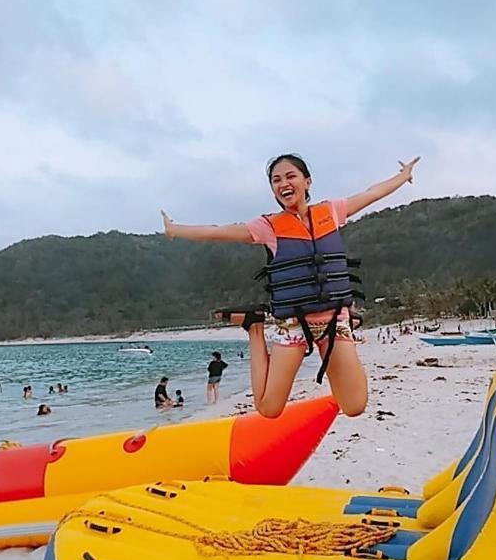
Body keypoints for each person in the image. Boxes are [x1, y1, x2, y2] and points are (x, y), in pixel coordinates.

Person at [161, 153, 419, 418]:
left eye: (290, 176)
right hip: (294, 325)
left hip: (335, 321)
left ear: (307, 182)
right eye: (276, 179)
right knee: (268, 408)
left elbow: (372, 193)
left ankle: (327, 337)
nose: (283, 183)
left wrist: (403, 176)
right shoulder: (268, 226)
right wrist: (174, 230)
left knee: (355, 406)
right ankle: (255, 327)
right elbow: (216, 232)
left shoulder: (330, 211)